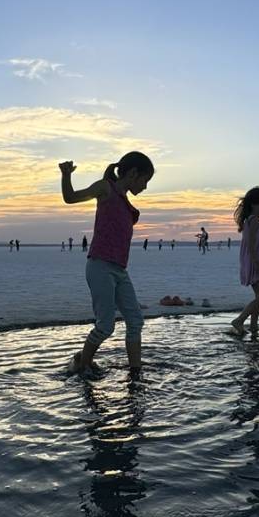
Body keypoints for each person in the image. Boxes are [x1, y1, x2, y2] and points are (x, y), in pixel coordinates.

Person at [60, 151, 154, 377]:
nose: (145, 186)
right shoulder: (105, 188)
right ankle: (83, 366)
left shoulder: (125, 200)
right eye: (145, 180)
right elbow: (71, 198)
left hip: (120, 270)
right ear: (133, 173)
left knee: (135, 321)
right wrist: (66, 175)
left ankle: (135, 372)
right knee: (106, 326)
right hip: (100, 266)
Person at [231, 186, 259, 336]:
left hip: (251, 262)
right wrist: (258, 264)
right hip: (253, 263)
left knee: (258, 297)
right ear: (254, 204)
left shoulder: (250, 220)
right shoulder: (254, 221)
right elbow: (250, 245)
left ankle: (254, 325)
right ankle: (239, 320)